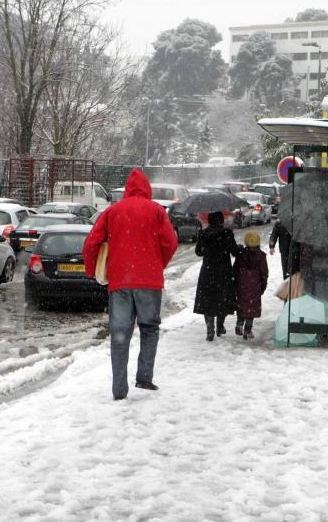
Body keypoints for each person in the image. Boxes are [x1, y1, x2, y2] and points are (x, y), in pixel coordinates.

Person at [83, 168, 178, 401]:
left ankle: (119, 390)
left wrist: (90, 270)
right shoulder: (157, 211)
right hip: (149, 281)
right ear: (147, 189)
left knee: (119, 334)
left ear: (126, 189)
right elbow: (171, 242)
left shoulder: (112, 211)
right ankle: (144, 377)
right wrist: (157, 265)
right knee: (149, 328)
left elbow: (91, 243)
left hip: (120, 282)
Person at [194, 210, 240, 341]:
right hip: (223, 271)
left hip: (208, 271)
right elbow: (234, 252)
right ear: (221, 220)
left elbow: (198, 252)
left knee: (208, 300)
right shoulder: (227, 233)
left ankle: (210, 328)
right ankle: (220, 325)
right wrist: (239, 248)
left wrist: (207, 249)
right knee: (222, 299)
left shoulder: (203, 233)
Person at [233, 231, 269, 340]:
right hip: (255, 285)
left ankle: (239, 323)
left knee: (242, 305)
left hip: (242, 284)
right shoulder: (261, 256)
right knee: (252, 308)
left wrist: (235, 283)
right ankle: (248, 330)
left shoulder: (241, 254)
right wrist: (263, 286)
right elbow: (264, 273)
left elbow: (235, 269)